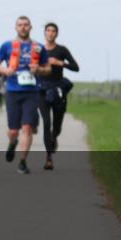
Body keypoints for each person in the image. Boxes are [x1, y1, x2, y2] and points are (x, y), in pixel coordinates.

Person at [0, 16, 51, 174]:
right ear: (16, 27)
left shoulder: (38, 47)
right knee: (13, 130)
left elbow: (48, 68)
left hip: (32, 92)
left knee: (28, 127)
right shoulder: (7, 45)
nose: (23, 27)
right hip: (13, 91)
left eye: (26, 25)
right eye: (20, 25)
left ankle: (22, 161)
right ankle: (12, 142)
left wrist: (39, 70)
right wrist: (5, 70)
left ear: (30, 27)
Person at [37, 22, 80, 170]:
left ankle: (54, 137)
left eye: (53, 31)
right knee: (46, 123)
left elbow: (76, 67)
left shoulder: (62, 50)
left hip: (58, 90)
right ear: (44, 33)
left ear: (57, 33)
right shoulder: (38, 49)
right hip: (42, 90)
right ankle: (48, 158)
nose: (50, 33)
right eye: (48, 30)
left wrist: (59, 62)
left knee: (57, 127)